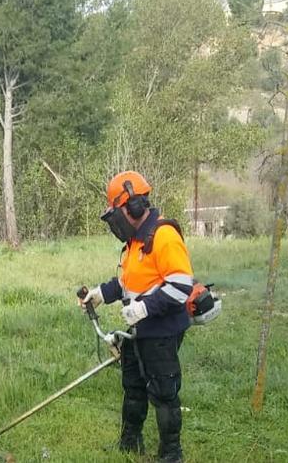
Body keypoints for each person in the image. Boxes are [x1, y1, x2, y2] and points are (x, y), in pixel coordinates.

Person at [79, 171, 194, 462]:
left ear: (134, 206)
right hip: (138, 329)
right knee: (132, 386)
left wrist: (143, 308)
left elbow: (182, 286)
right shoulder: (134, 242)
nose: (116, 222)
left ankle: (171, 454)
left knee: (163, 390)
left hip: (162, 329)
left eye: (118, 213)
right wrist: (100, 294)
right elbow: (129, 283)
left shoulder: (163, 235)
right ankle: (130, 443)